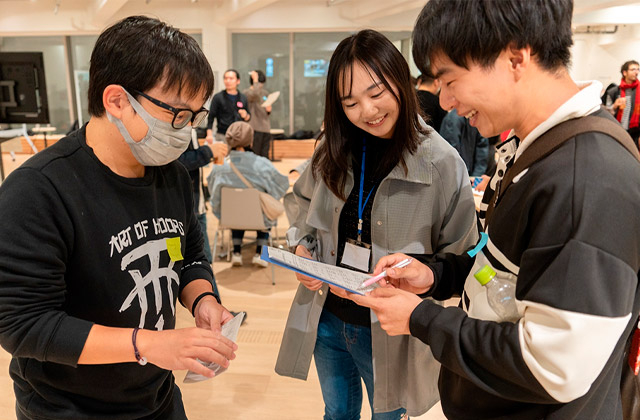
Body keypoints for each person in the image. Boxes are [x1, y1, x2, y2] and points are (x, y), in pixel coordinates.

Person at [350, 1, 640, 419]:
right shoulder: (536, 149)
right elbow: (506, 270)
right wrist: (436, 275)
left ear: (515, 57)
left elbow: (555, 366)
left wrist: (423, 319)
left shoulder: (586, 179)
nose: (446, 101)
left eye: (450, 80)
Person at [0, 15, 238, 420]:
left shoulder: (173, 176)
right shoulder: (38, 190)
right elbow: (23, 324)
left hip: (156, 394)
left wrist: (203, 298)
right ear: (117, 101)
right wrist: (148, 344)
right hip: (68, 407)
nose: (185, 131)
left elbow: (189, 254)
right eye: (177, 115)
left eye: (194, 117)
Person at [275, 29, 478, 419]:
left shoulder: (441, 162)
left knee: (388, 414)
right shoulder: (333, 149)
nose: (367, 111)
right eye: (350, 102)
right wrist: (303, 247)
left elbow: (463, 254)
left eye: (376, 92)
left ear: (400, 82)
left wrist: (425, 272)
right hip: (327, 314)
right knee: (336, 412)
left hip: (390, 328)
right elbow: (300, 203)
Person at [208, 121, 288, 268]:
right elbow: (281, 186)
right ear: (251, 140)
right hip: (258, 219)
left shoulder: (219, 165)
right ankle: (260, 253)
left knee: (235, 207)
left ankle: (236, 252)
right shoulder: (262, 164)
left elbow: (212, 192)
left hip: (229, 217)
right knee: (262, 208)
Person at [178, 131, 228, 291]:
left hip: (195, 204)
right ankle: (215, 310)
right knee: (201, 261)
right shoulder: (178, 124)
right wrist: (208, 152)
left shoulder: (188, 123)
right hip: (189, 207)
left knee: (202, 262)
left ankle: (214, 308)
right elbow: (177, 161)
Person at [439, 108, 489, 176]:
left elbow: (482, 147)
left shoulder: (454, 118)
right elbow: (451, 155)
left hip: (463, 175)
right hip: (461, 175)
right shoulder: (453, 119)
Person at [602, 60, 640, 149]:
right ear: (625, 72)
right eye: (633, 69)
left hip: (635, 132)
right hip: (617, 130)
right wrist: (614, 106)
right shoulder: (613, 91)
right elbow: (605, 113)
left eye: (638, 69)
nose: (636, 72)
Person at [206, 69, 251, 142]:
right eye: (226, 78)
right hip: (222, 135)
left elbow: (248, 117)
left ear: (238, 81)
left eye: (231, 78)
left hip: (239, 135)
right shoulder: (218, 97)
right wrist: (209, 134)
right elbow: (211, 117)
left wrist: (245, 115)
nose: (228, 81)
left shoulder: (243, 97)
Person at [244, 70, 273, 158]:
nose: (260, 86)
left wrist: (268, 110)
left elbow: (266, 111)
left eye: (261, 83)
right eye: (259, 83)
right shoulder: (247, 93)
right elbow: (255, 95)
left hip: (265, 127)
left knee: (265, 156)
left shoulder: (265, 93)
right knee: (255, 155)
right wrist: (255, 79)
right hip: (254, 128)